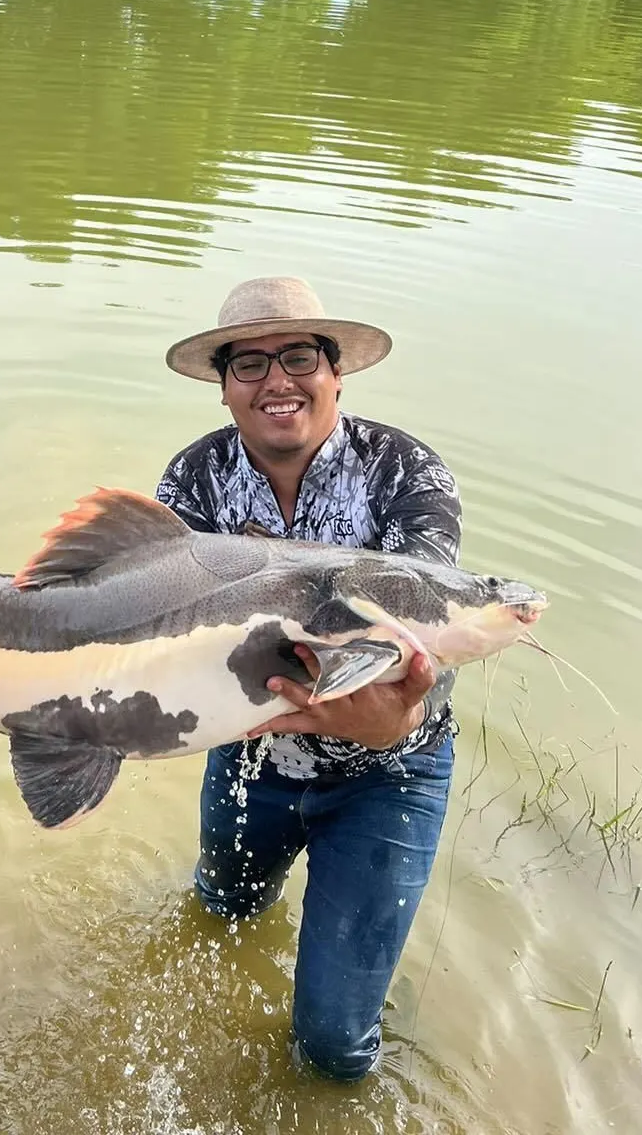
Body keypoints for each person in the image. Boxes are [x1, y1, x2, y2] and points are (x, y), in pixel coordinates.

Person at [156, 275, 462, 1081]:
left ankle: (358, 1006)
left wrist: (396, 724)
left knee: (333, 1044)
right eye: (249, 365)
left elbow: (424, 625)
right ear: (223, 389)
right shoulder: (192, 482)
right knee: (221, 913)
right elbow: (161, 624)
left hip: (389, 775)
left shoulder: (406, 472)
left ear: (335, 371)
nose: (277, 381)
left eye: (297, 357)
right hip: (249, 759)